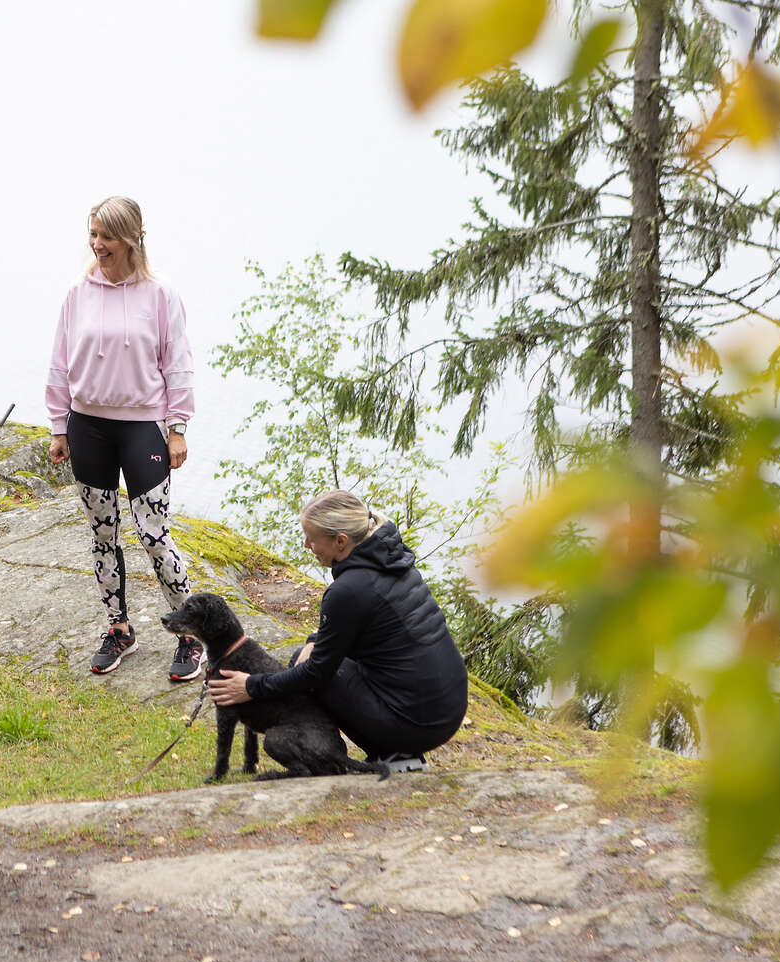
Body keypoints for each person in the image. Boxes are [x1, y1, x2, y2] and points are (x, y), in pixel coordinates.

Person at [45, 196, 205, 682]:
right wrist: (58, 426)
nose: (97, 245)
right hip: (87, 426)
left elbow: (178, 362)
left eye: (107, 236)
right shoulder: (78, 292)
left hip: (142, 427)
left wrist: (177, 427)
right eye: (93, 234)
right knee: (102, 534)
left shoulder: (160, 294)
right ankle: (118, 629)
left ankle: (192, 634)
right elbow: (60, 361)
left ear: (133, 238)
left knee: (154, 535)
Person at [205, 490, 469, 767]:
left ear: (340, 541)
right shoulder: (389, 558)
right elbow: (357, 624)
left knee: (310, 671)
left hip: (416, 724)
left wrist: (252, 686)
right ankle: (396, 751)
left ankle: (392, 755)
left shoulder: (349, 588)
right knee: (307, 656)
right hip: (446, 707)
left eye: (311, 539)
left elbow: (317, 673)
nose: (306, 545)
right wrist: (314, 640)